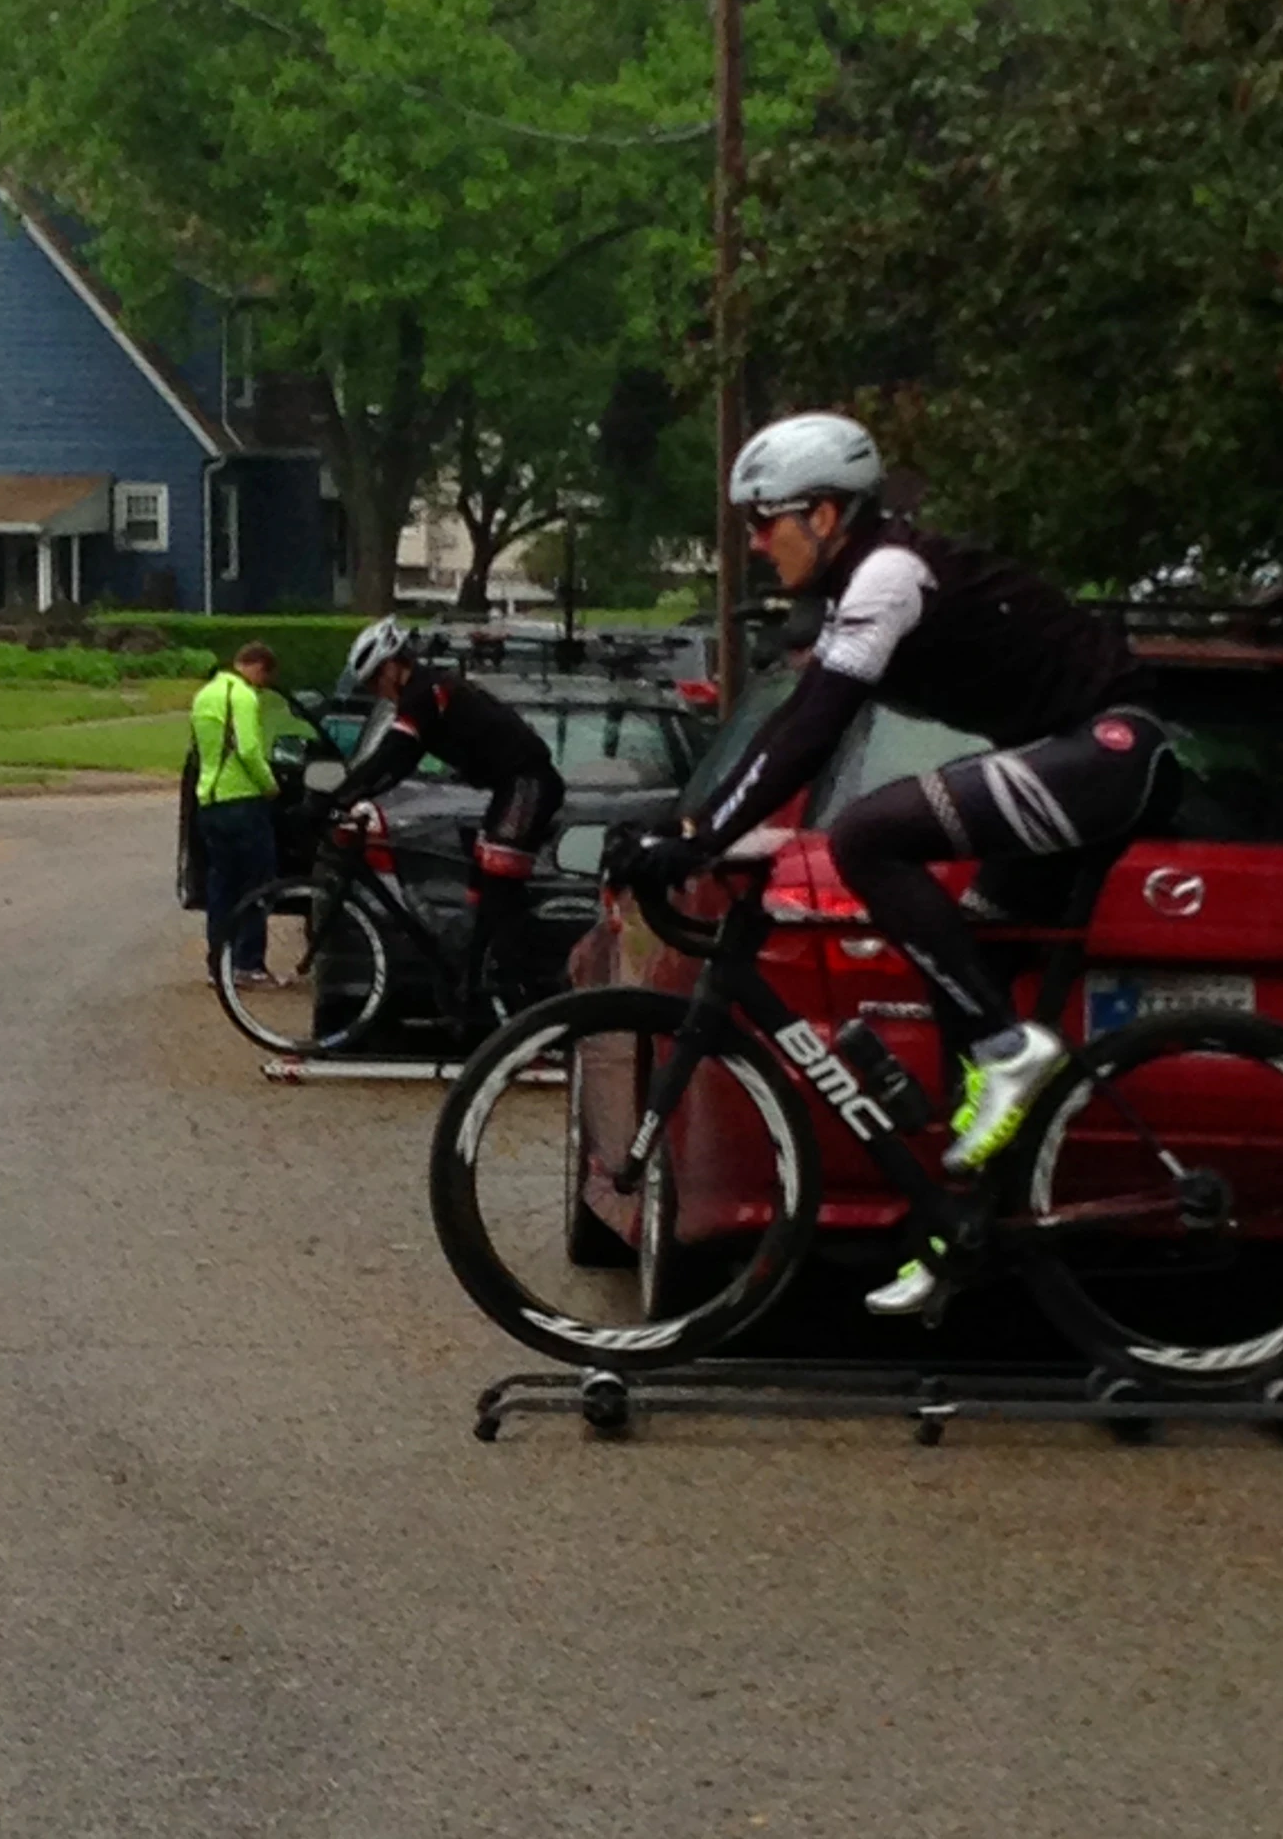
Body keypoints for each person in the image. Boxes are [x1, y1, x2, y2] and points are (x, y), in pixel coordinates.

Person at [632, 413, 1174, 1315]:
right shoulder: (862, 584)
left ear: (829, 514)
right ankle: (959, 1230)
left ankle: (1011, 1051)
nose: (758, 542)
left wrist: (700, 838)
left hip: (1111, 751)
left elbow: (813, 730)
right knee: (967, 964)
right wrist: (691, 825)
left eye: (769, 521)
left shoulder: (889, 574)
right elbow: (787, 721)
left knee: (869, 837)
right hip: (1072, 757)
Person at [326, 618, 566, 1019]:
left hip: (529, 784)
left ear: (391, 666)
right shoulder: (424, 691)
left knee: (496, 890)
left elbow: (393, 756)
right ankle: (473, 985)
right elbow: (398, 764)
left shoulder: (423, 692)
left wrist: (340, 797)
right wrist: (351, 794)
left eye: (373, 682)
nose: (375, 692)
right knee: (479, 893)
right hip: (509, 786)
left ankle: (520, 1001)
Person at [191, 643, 282, 981]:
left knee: (221, 885)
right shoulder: (242, 697)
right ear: (258, 666)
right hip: (242, 799)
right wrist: (269, 783)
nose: (261, 685)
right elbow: (248, 748)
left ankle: (219, 960)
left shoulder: (204, 696)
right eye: (264, 677)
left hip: (210, 799)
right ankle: (248, 962)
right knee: (257, 883)